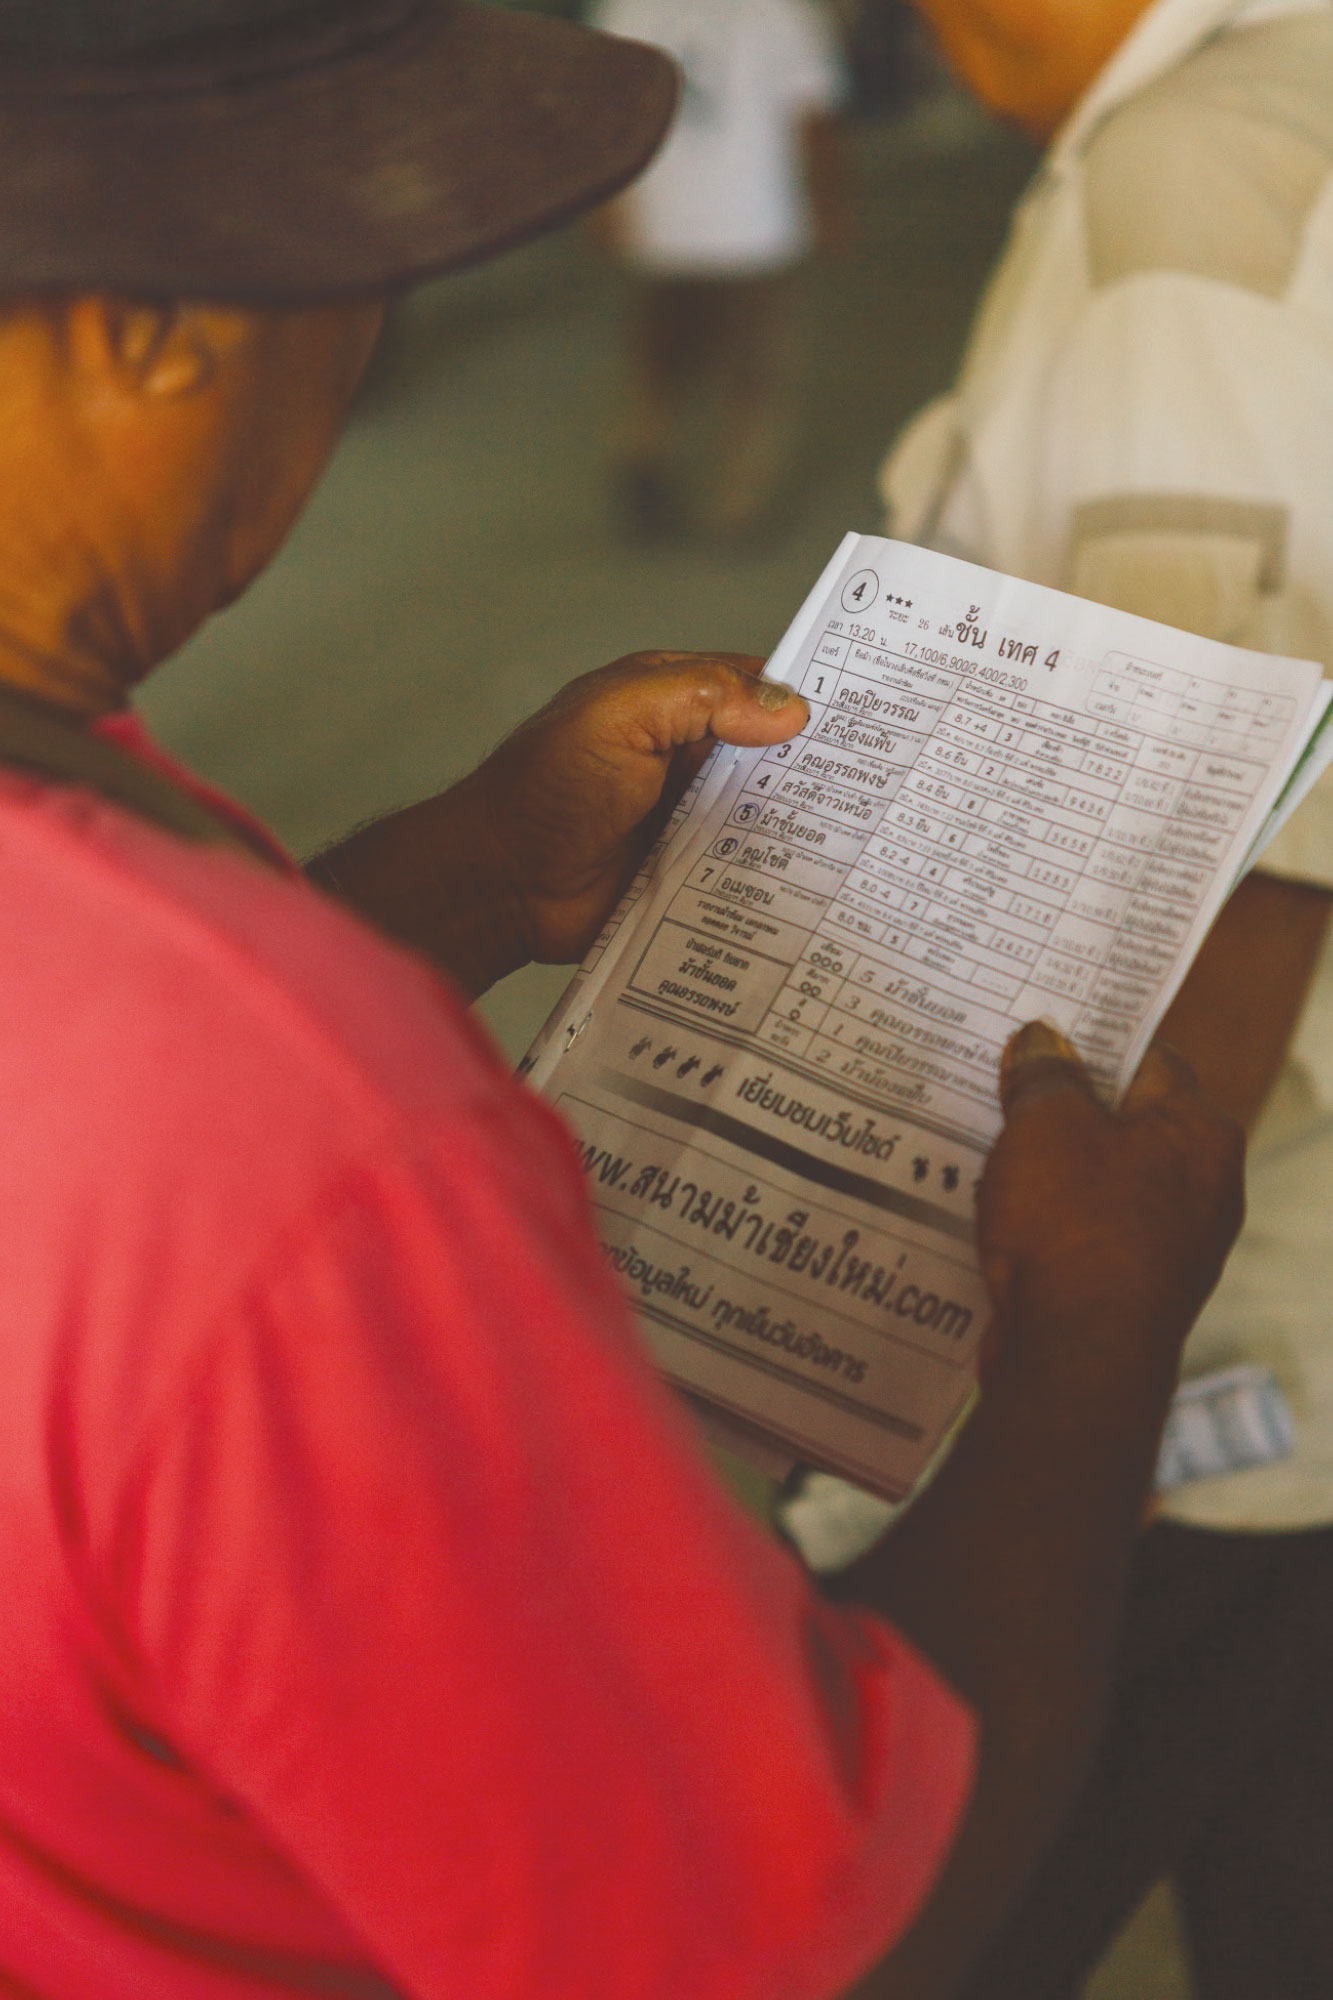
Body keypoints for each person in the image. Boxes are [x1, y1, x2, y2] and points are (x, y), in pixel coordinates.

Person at [0, 5, 1243, 1998]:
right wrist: (1093, 1335)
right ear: (148, 324)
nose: (360, 352)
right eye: (362, 286)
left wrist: (471, 873)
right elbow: (805, 1932)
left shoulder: (127, 937)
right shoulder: (291, 1130)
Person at [845, 0, 1333, 1992]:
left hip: (1212, 1371)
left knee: (911, 1918)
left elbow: (1225, 832)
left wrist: (1064, 1394)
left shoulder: (1190, 174)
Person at [588, 0, 849, 539]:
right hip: (756, 217)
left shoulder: (628, 9)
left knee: (661, 352)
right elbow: (810, 113)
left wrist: (606, 205)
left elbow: (601, 114)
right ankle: (737, 497)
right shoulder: (780, 11)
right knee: (752, 366)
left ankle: (647, 448)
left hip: (662, 216)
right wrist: (829, 200)